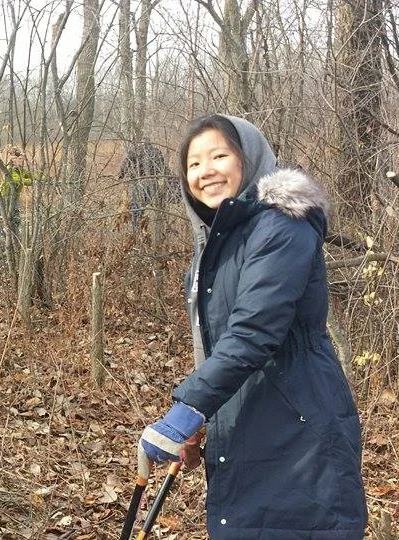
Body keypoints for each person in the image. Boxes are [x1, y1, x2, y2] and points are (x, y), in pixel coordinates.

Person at [136, 114, 367, 538]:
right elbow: (217, 345)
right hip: (243, 421)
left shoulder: (282, 224)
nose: (205, 171)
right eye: (193, 163)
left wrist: (188, 409)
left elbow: (253, 331)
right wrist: (201, 419)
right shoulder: (217, 246)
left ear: (249, 157)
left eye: (219, 155)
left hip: (300, 429)